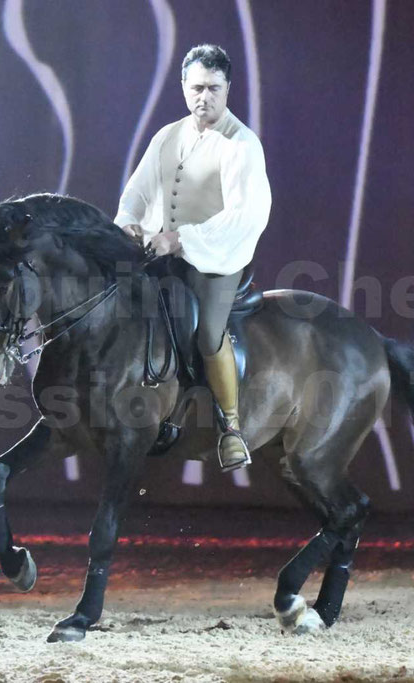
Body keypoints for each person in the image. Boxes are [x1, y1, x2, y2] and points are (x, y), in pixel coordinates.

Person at [114, 44, 272, 472]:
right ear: (183, 87)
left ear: (228, 89)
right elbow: (139, 190)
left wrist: (180, 239)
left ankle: (232, 429)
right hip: (164, 251)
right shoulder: (168, 135)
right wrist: (128, 220)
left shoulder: (242, 144)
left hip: (217, 258)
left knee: (206, 334)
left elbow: (245, 215)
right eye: (198, 87)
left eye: (214, 88)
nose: (205, 97)